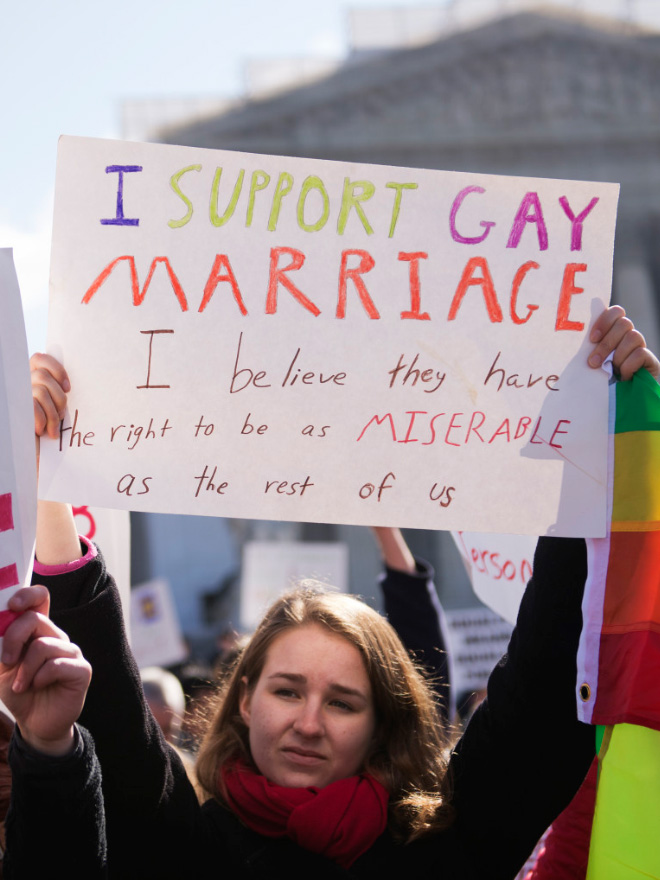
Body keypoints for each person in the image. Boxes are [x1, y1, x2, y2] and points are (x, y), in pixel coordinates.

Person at [1, 306, 658, 879]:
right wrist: (50, 468)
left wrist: (595, 445)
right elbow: (111, 710)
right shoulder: (189, 841)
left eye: (343, 702)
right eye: (287, 690)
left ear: (382, 726)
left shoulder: (445, 845)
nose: (308, 724)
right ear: (245, 699)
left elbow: (542, 696)